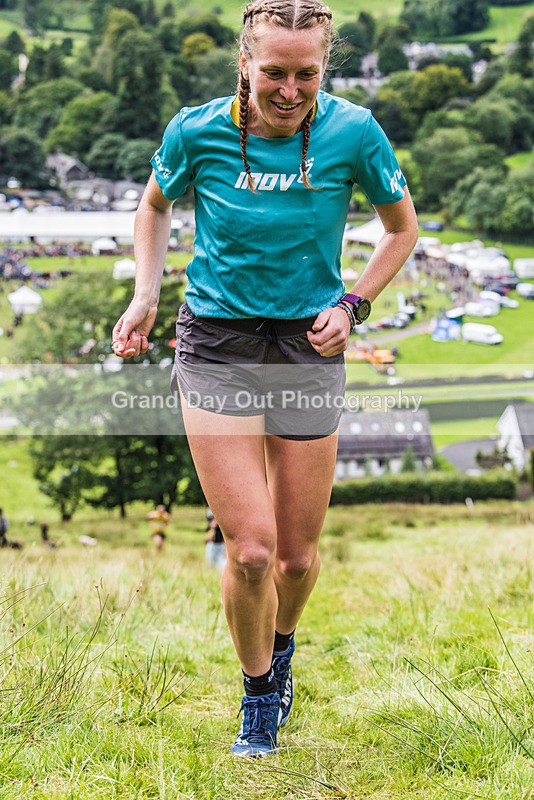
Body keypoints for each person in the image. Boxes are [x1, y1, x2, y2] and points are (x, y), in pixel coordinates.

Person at [112, 0, 418, 758]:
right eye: (274, 72)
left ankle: (281, 651)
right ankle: (256, 697)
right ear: (245, 65)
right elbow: (154, 205)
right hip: (216, 340)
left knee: (295, 559)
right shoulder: (196, 130)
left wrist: (356, 304)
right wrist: (146, 293)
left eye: (305, 73)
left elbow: (401, 227)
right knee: (250, 550)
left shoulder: (353, 132)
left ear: (324, 68)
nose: (289, 88)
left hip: (308, 348)